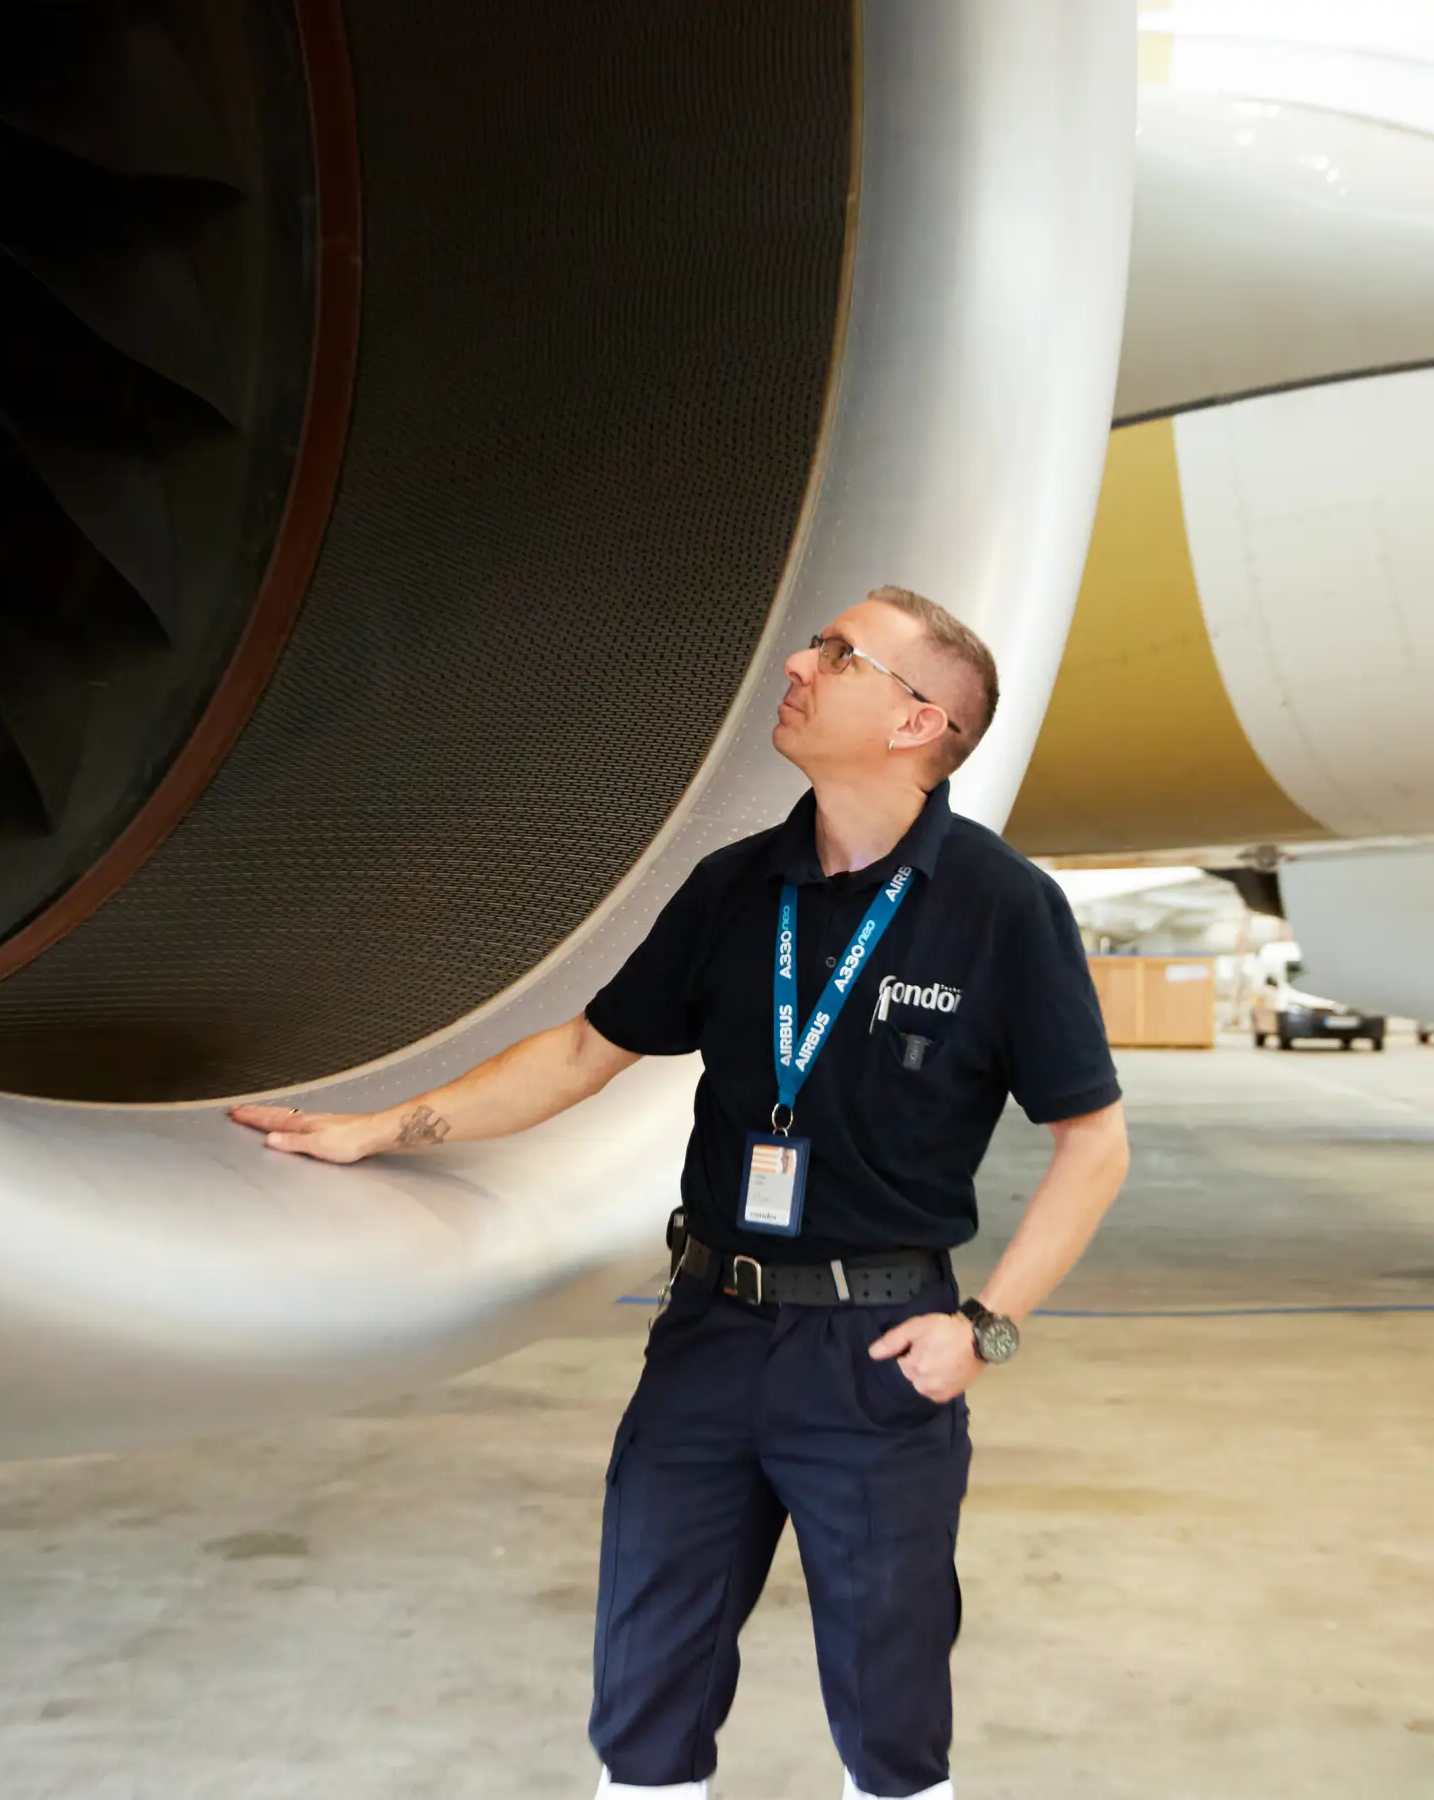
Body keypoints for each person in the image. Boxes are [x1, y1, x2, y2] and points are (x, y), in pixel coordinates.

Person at [231, 585, 1130, 1800]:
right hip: (711, 1331)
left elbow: (1094, 1142)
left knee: (892, 1718)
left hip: (876, 1353)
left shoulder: (1002, 908)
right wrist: (380, 1129)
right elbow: (580, 1054)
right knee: (645, 1697)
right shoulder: (735, 888)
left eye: (838, 653)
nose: (798, 664)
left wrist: (985, 1328)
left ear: (919, 724)